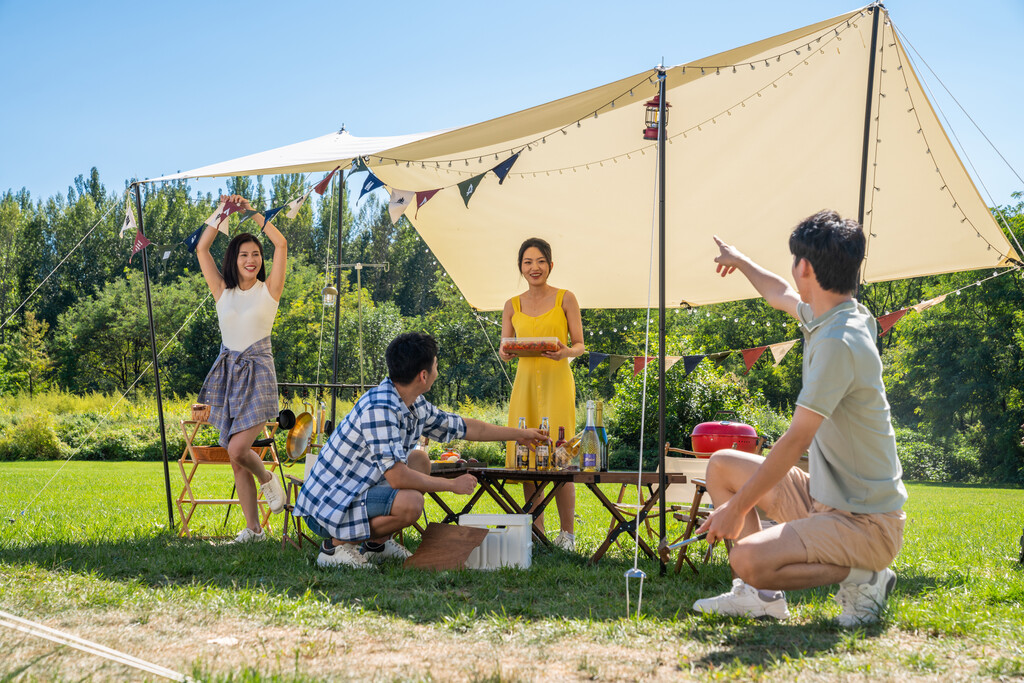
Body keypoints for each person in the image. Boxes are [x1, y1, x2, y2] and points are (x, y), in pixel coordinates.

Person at [692, 210, 907, 626]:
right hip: (827, 500)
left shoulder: (839, 342)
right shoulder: (833, 315)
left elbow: (795, 441)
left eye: (794, 261)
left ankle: (867, 576)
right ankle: (761, 600)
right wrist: (739, 260)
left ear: (805, 266)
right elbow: (779, 292)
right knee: (721, 466)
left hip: (865, 523)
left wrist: (738, 508)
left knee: (747, 559)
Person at [294, 332, 548, 569]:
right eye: (436, 364)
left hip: (357, 491)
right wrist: (452, 486)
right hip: (328, 507)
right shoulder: (380, 408)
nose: (439, 370)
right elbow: (398, 477)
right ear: (423, 376)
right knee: (412, 503)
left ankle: (376, 546)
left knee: (419, 458)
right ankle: (334, 548)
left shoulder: (413, 402)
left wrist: (520, 434)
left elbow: (467, 428)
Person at [196, 195, 288, 543]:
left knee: (238, 450)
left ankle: (267, 480)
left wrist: (250, 212)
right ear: (233, 259)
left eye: (256, 255)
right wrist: (222, 211)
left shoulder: (270, 290)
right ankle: (254, 529)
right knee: (235, 459)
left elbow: (281, 242)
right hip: (228, 373)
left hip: (258, 373)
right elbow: (202, 250)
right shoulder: (222, 291)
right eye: (244, 254)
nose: (251, 259)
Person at [499, 238, 585, 550]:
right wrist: (506, 353)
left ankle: (568, 535)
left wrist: (565, 352)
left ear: (550, 264)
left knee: (559, 455)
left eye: (540, 261)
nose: (534, 267)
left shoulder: (566, 298)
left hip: (557, 382)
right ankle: (536, 531)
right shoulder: (512, 305)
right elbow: (504, 346)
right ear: (520, 267)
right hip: (523, 387)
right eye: (527, 262)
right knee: (527, 457)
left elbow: (579, 345)